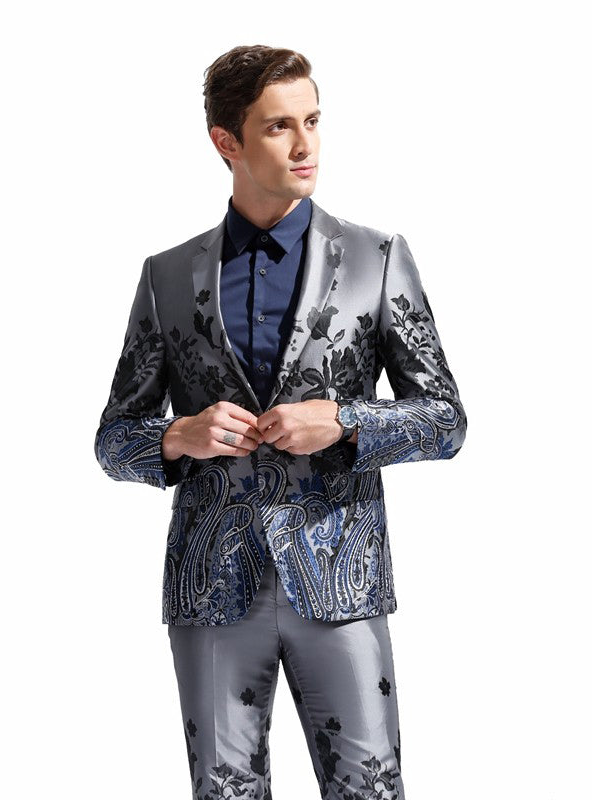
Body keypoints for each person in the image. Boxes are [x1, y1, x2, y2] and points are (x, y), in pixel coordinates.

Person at [94, 44, 467, 800]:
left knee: (370, 788)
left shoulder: (376, 258)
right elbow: (113, 439)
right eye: (278, 127)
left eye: (313, 121)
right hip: (211, 589)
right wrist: (175, 437)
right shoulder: (168, 276)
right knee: (224, 791)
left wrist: (348, 422)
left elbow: (446, 420)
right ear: (225, 141)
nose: (306, 145)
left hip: (341, 584)